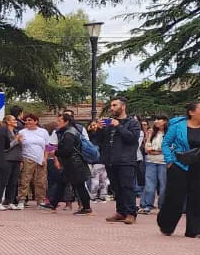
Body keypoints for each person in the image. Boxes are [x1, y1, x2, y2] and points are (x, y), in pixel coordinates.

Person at [158, 101, 200, 238]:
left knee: (197, 199)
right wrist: (170, 161)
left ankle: (194, 230)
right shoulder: (177, 126)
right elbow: (166, 143)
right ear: (191, 112)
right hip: (179, 166)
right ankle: (166, 225)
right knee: (175, 198)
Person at [92, 96, 142, 224]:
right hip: (110, 160)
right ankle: (121, 212)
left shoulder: (133, 123)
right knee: (116, 188)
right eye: (111, 106)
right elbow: (98, 141)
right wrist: (98, 129)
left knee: (127, 187)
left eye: (115, 105)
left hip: (126, 161)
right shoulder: (109, 123)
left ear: (123, 106)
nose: (112, 108)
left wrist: (118, 125)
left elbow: (132, 139)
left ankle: (131, 213)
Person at [50, 113, 93, 215]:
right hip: (72, 163)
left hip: (74, 164)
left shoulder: (69, 133)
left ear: (66, 122)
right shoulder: (70, 131)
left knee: (79, 186)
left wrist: (55, 152)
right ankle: (53, 204)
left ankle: (86, 208)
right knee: (63, 182)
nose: (57, 123)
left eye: (60, 121)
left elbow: (67, 151)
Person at [16, 113, 48, 208]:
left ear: (36, 121)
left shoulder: (43, 132)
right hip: (27, 158)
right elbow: (18, 146)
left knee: (41, 181)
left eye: (30, 120)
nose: (27, 122)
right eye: (26, 120)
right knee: (25, 180)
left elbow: (47, 146)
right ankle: (21, 200)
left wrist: (45, 158)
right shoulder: (22, 132)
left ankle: (41, 200)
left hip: (40, 159)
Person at [140, 116, 168, 215]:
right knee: (149, 184)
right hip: (151, 161)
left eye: (158, 119)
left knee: (164, 185)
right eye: (155, 119)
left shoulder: (169, 133)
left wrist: (156, 150)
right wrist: (149, 136)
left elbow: (168, 148)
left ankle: (163, 205)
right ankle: (147, 205)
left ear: (165, 121)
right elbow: (147, 147)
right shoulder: (152, 132)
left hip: (164, 162)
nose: (156, 121)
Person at [0, 114, 24, 210]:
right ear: (8, 122)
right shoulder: (4, 132)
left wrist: (20, 142)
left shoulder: (16, 131)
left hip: (17, 159)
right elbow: (5, 147)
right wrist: (16, 140)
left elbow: (19, 146)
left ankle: (10, 201)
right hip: (7, 159)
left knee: (13, 182)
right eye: (13, 120)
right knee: (4, 181)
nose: (16, 121)